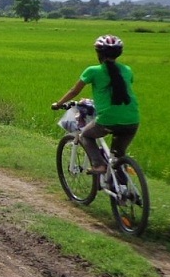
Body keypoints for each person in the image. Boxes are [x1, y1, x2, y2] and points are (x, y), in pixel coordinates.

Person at [53, 34, 140, 174]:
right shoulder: (127, 70)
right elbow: (117, 92)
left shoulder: (93, 71)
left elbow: (74, 91)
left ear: (99, 53)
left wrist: (58, 104)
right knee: (118, 156)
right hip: (133, 119)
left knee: (85, 135)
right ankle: (123, 188)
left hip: (108, 119)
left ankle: (98, 165)